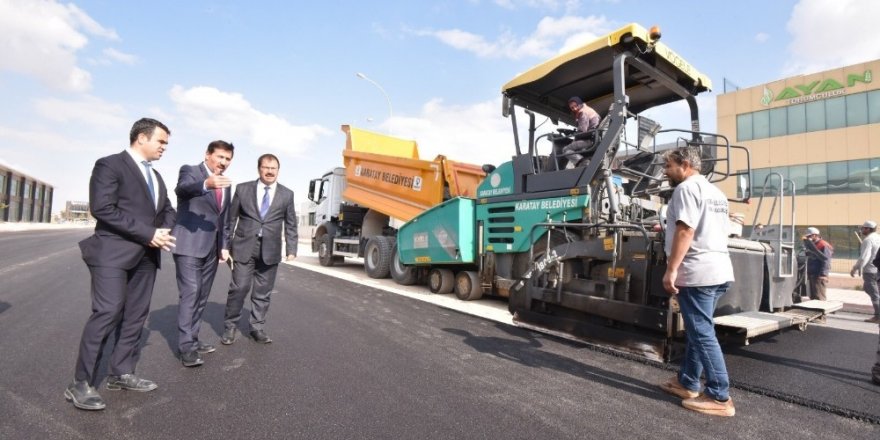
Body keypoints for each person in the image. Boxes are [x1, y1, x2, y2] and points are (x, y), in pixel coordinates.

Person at [65, 118, 177, 411]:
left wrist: (162, 231)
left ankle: (121, 373)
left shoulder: (157, 177)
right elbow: (102, 208)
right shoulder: (110, 165)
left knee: (135, 316)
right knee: (108, 312)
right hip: (112, 255)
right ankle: (80, 383)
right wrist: (148, 233)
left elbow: (168, 209)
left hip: (147, 257)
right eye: (161, 142)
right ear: (142, 138)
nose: (165, 147)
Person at [658, 147, 736, 417]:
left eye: (668, 165)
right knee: (697, 329)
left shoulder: (685, 189)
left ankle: (719, 395)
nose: (665, 170)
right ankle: (687, 382)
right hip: (719, 270)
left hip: (697, 272)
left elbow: (686, 230)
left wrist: (671, 270)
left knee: (702, 333)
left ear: (685, 164)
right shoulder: (716, 193)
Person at [220, 154, 297, 345]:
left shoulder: (287, 194)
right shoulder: (243, 189)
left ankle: (257, 328)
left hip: (270, 249)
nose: (270, 171)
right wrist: (224, 245)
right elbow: (230, 219)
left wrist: (291, 248)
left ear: (278, 170)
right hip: (244, 246)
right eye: (266, 167)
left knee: (263, 292)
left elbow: (291, 223)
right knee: (239, 288)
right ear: (259, 168)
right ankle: (230, 327)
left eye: (274, 168)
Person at [171, 140, 235, 367]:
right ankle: (186, 347)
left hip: (211, 249)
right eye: (220, 157)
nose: (223, 162)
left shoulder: (227, 184)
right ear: (207, 155)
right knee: (191, 292)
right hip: (188, 244)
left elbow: (225, 218)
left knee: (201, 296)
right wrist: (206, 183)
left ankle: (194, 339)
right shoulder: (190, 171)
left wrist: (224, 245)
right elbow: (182, 189)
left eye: (228, 159)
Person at [558, 96, 601, 169]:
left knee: (565, 150)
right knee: (573, 146)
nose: (574, 108)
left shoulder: (583, 113)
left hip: (589, 140)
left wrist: (574, 134)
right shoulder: (589, 110)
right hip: (594, 138)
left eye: (575, 106)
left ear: (579, 103)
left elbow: (582, 131)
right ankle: (580, 162)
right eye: (572, 108)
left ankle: (583, 162)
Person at [851, 220, 880, 323]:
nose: (862, 230)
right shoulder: (878, 237)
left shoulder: (868, 240)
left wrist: (855, 268)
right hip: (877, 270)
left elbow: (864, 257)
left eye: (863, 228)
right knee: (868, 289)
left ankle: (877, 317)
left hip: (870, 271)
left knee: (874, 295)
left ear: (868, 229)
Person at [804, 227, 833, 301]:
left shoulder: (823, 245)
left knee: (819, 296)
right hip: (812, 274)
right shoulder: (812, 245)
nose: (807, 238)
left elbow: (826, 261)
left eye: (809, 236)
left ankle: (821, 310)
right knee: (813, 296)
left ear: (814, 235)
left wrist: (823, 274)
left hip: (819, 275)